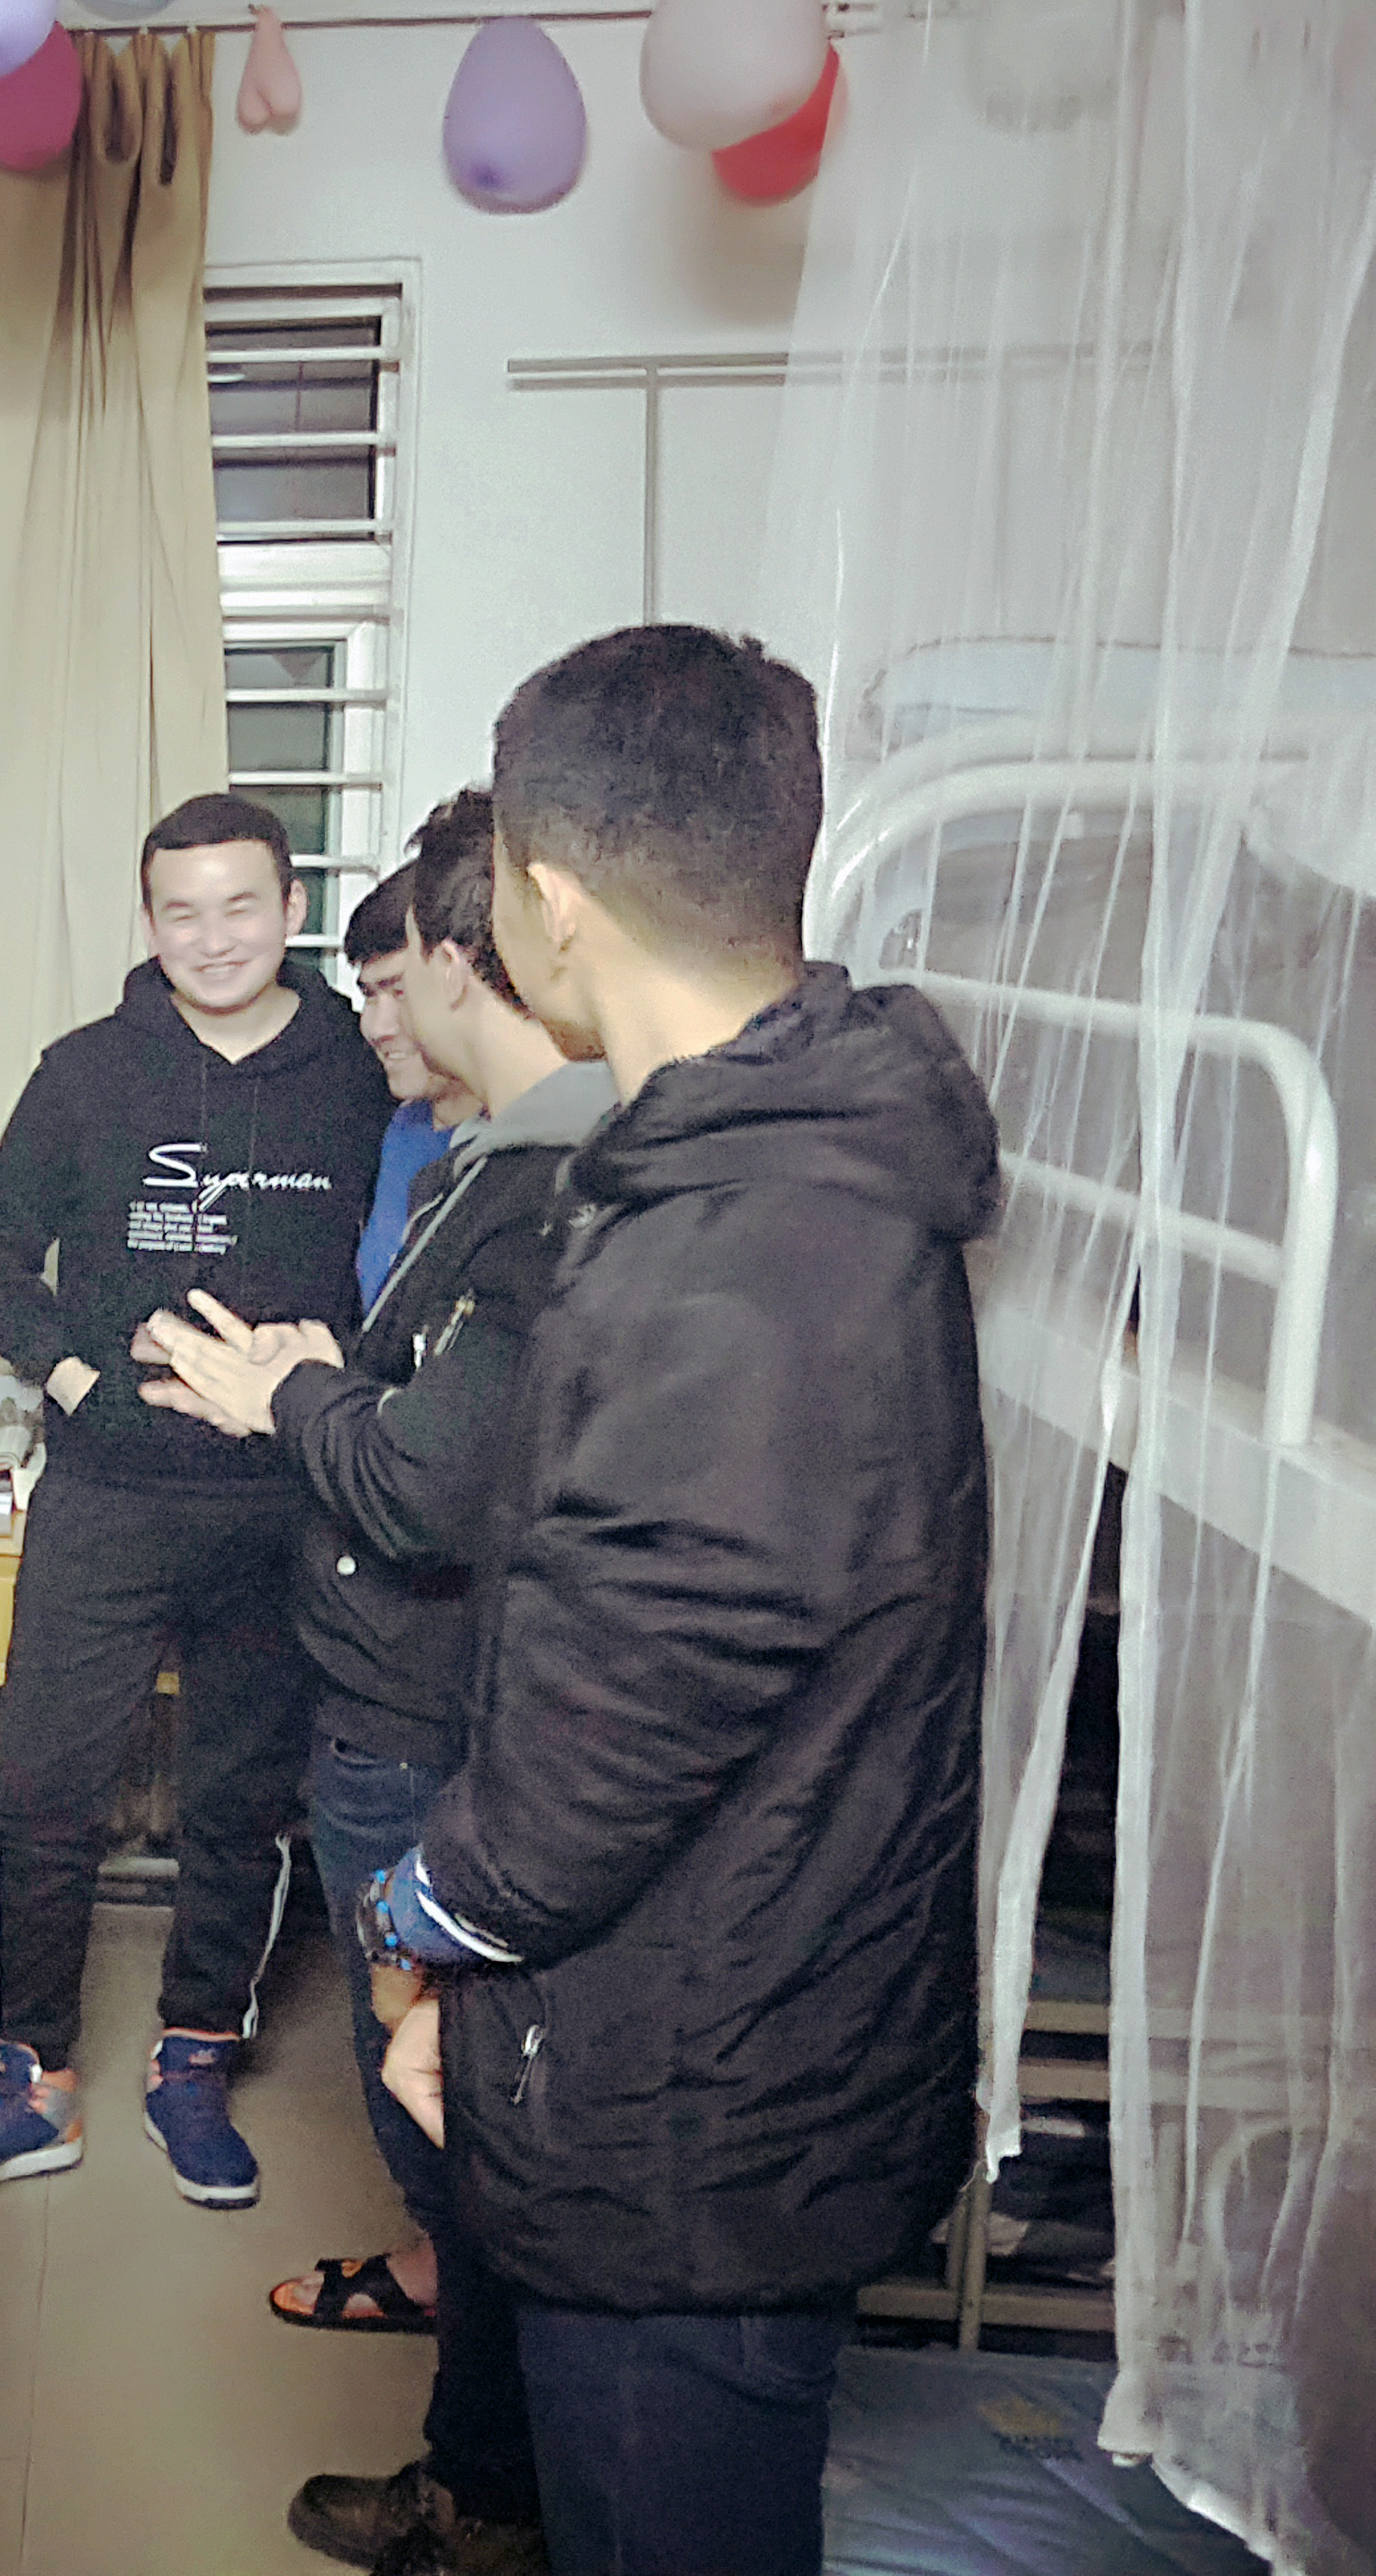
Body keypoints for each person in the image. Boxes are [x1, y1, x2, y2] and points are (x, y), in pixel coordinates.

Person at [356, 628, 997, 2576]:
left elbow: (621, 1728)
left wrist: (416, 1920)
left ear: (549, 901)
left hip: (701, 2126)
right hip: (702, 2037)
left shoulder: (747, 1250)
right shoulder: (768, 1163)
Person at [148, 787, 613, 2576]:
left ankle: (483, 2496)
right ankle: (479, 2451)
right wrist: (329, 1378)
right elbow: (437, 1418)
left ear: (469, 959)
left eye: (395, 973)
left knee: (457, 2129)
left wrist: (290, 1398)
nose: (378, 1011)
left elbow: (434, 1480)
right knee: (448, 2125)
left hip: (424, 1735)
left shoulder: (545, 1185)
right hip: (397, 1711)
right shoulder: (494, 1160)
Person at [0, 792, 394, 2209]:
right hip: (109, 1496)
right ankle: (32, 2078)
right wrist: (73, 1378)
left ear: (292, 909)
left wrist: (341, 1380)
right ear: (148, 923)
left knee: (241, 1801)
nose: (212, 938)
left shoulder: (364, 1075)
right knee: (42, 1792)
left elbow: (405, 1276)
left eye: (240, 905)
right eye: (180, 912)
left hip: (287, 1502)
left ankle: (195, 2059)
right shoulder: (87, 1073)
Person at [348, 857, 478, 1305]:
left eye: (401, 992)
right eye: (370, 995)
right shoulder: (405, 1130)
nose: (377, 1027)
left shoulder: (530, 1142)